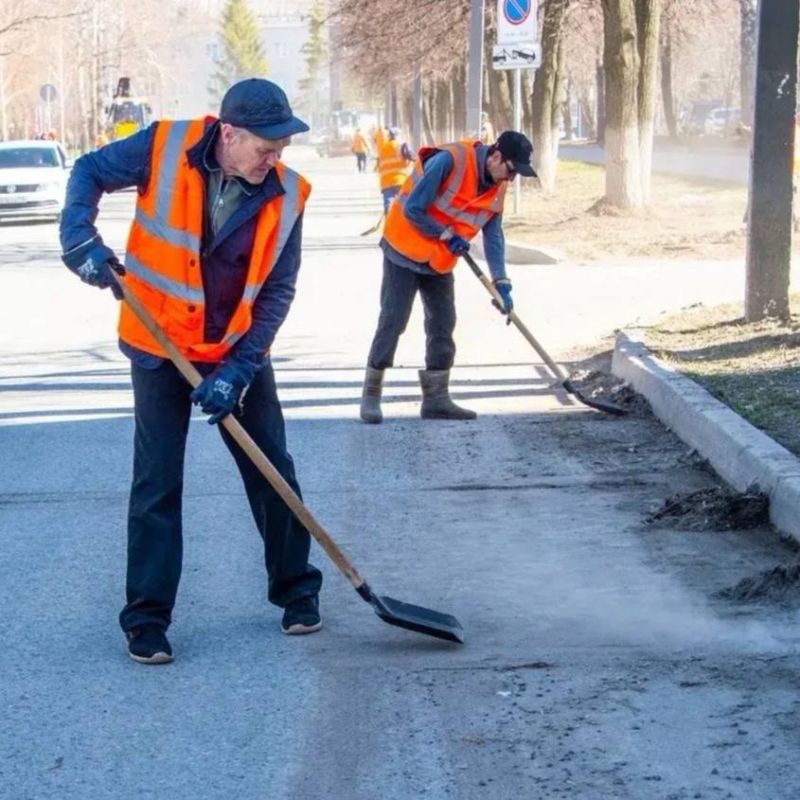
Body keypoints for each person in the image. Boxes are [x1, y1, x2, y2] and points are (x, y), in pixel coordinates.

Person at [59, 78, 324, 665]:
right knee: (157, 481)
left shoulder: (288, 195)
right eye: (265, 146)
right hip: (158, 347)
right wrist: (78, 237)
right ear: (228, 134)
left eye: (282, 147)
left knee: (271, 468)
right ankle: (147, 620)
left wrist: (240, 369)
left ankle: (297, 592)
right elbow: (87, 170)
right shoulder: (162, 146)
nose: (275, 158)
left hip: (234, 348)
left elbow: (277, 291)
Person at [359, 130, 537, 424]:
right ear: (495, 155)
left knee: (443, 324)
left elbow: (493, 235)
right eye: (510, 170)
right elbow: (414, 208)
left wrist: (501, 282)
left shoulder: (498, 185)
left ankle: (436, 400)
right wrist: (445, 234)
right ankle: (371, 395)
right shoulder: (450, 160)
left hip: (440, 260)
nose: (511, 179)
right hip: (403, 248)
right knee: (393, 319)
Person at [377, 126, 414, 213]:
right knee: (403, 206)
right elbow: (414, 157)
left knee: (388, 207)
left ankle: (389, 224)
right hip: (400, 180)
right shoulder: (401, 146)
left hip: (385, 182)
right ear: (397, 136)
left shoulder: (383, 148)